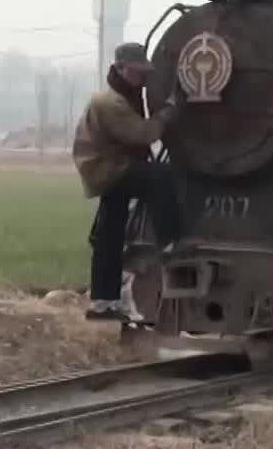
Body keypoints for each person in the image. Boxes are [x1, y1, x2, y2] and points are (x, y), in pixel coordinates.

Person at [72, 43, 187, 321]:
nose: (141, 77)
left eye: (143, 72)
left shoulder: (122, 97)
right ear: (121, 68)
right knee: (161, 175)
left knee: (109, 238)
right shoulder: (111, 103)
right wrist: (170, 109)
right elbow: (144, 133)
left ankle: (103, 303)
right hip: (108, 169)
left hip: (110, 168)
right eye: (136, 72)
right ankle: (170, 242)